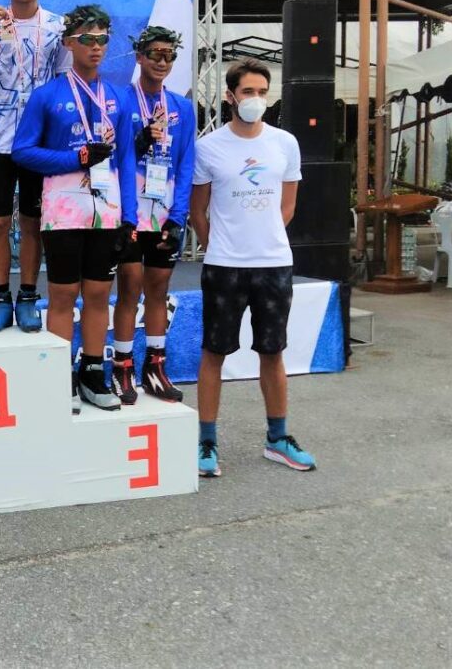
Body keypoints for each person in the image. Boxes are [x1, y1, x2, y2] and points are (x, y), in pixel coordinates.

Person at [190, 58, 317, 478]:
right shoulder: (209, 147)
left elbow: (288, 205)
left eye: (262, 92)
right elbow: (198, 210)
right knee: (214, 353)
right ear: (230, 96)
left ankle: (277, 438)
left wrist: (264, 239)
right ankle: (207, 442)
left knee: (272, 352)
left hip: (274, 265)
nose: (256, 99)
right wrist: (219, 246)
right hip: (224, 267)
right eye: (248, 92)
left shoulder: (285, 144)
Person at [13, 5, 137, 413]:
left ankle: (92, 372)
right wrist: (75, 158)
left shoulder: (118, 96)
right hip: (63, 208)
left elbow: (127, 159)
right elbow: (22, 151)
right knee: (64, 293)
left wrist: (130, 217)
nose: (95, 47)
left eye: (102, 40)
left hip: (106, 208)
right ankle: (59, 376)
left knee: (99, 292)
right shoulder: (47, 95)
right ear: (69, 43)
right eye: (87, 39)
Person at [0, 0, 71, 334]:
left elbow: (65, 85)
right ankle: (0, 299)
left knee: (33, 223)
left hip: (41, 141)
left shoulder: (59, 27)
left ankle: (28, 296)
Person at [112, 26, 195, 405]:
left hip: (164, 212)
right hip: (130, 212)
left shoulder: (182, 107)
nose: (162, 61)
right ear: (139, 57)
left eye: (169, 55)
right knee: (130, 288)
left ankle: (155, 367)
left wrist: (179, 217)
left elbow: (186, 163)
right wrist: (138, 141)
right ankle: (122, 367)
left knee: (158, 289)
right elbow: (114, 157)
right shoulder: (121, 100)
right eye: (155, 54)